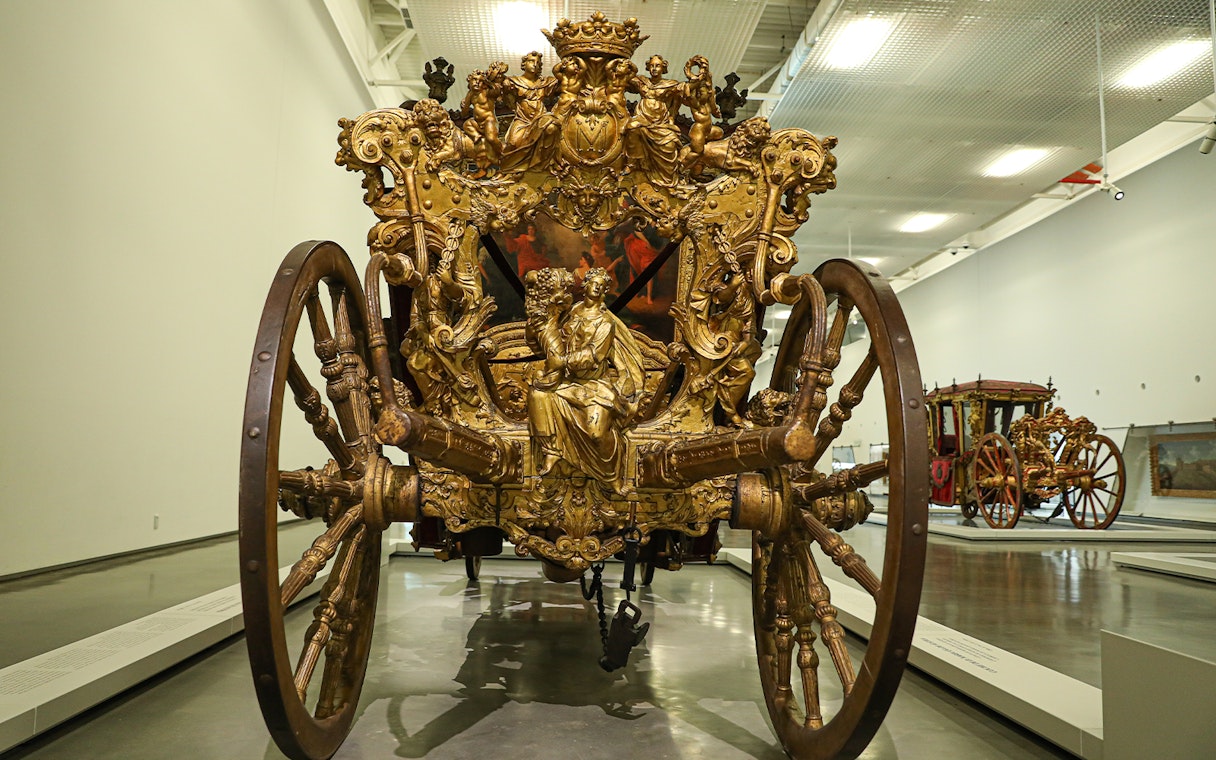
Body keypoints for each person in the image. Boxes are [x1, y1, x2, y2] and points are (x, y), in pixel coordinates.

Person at [527, 268, 644, 494]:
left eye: (602, 285)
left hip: (593, 385)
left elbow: (594, 355)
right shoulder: (571, 312)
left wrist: (563, 361)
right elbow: (549, 339)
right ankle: (552, 451)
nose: (597, 287)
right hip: (566, 382)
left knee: (597, 433)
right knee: (538, 395)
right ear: (585, 285)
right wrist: (533, 331)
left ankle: (612, 476)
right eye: (594, 283)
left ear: (605, 291)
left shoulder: (605, 323)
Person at [624, 55, 684, 185]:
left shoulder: (670, 84)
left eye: (657, 66)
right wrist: (630, 66)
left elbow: (682, 94)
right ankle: (632, 163)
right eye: (651, 66)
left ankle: (665, 177)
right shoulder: (642, 81)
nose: (654, 68)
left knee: (669, 144)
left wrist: (672, 118)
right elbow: (625, 78)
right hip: (642, 117)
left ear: (663, 68)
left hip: (660, 121)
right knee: (631, 127)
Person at [500, 51, 559, 173]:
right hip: (523, 119)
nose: (535, 64)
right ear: (524, 64)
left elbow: (563, 80)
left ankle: (541, 165)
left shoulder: (544, 82)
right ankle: (509, 170)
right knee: (513, 143)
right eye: (531, 61)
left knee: (550, 129)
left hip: (540, 118)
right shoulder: (514, 81)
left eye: (538, 63)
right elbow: (503, 97)